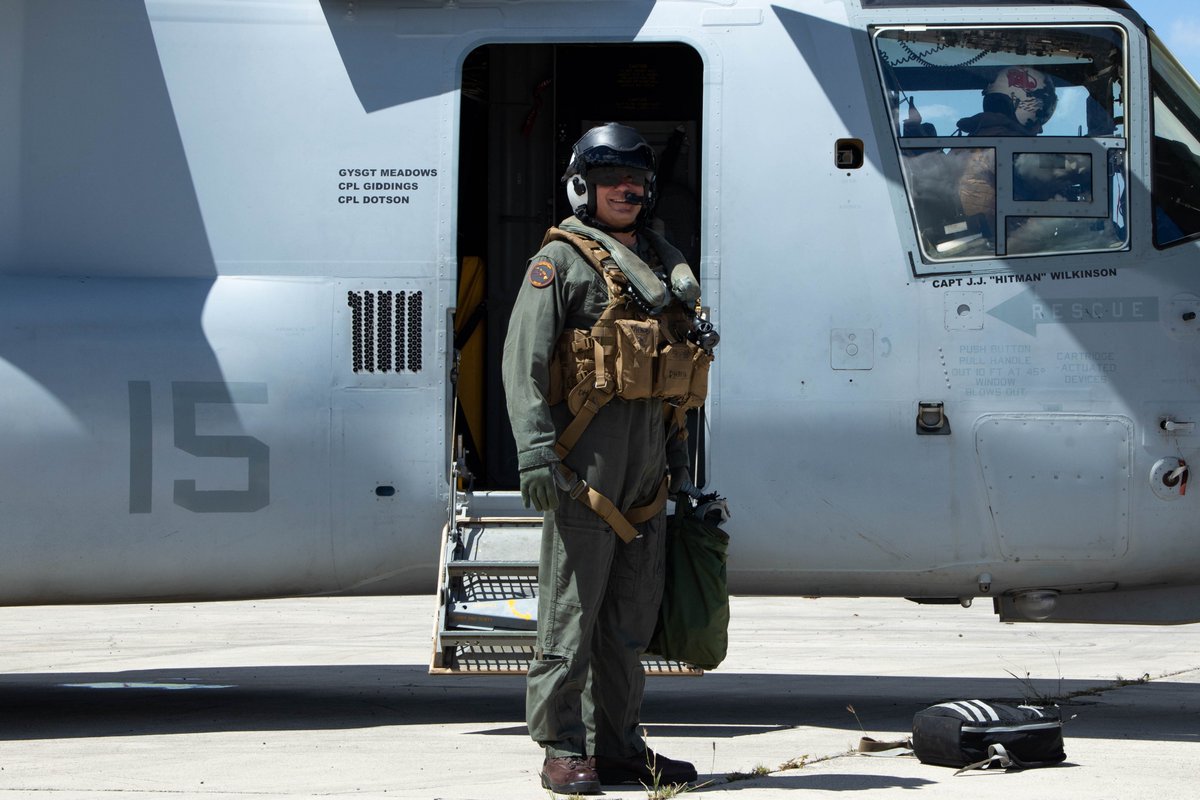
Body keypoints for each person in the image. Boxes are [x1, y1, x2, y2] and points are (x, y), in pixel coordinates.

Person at [502, 122, 712, 795]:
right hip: (582, 471)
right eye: (613, 179)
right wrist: (535, 450)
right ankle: (562, 747)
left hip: (647, 473)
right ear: (582, 186)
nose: (629, 189)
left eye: (638, 180)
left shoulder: (661, 264)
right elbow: (522, 362)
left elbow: (673, 374)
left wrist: (678, 459)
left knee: (628, 623)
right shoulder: (560, 263)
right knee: (570, 619)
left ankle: (619, 747)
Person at [956, 66, 1058, 240]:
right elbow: (1045, 180)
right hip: (1008, 243)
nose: (1040, 129)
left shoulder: (966, 146)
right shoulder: (1013, 149)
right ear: (1022, 104)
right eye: (1041, 114)